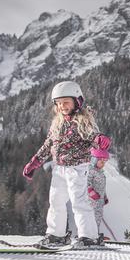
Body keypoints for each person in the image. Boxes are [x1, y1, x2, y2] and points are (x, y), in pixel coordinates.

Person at [23, 81, 111, 247]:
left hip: (78, 168)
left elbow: (92, 136)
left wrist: (100, 139)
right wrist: (34, 163)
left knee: (79, 202)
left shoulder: (83, 120)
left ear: (77, 102)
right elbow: (48, 144)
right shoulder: (58, 122)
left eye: (66, 102)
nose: (62, 106)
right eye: (59, 103)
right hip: (59, 168)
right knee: (56, 201)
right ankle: (56, 234)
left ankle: (89, 236)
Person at [87, 144, 111, 240]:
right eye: (101, 161)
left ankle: (95, 233)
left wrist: (104, 196)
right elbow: (86, 183)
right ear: (94, 160)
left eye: (105, 161)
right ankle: (89, 234)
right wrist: (91, 192)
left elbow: (102, 186)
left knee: (98, 216)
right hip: (91, 200)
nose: (103, 164)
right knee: (91, 216)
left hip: (99, 200)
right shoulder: (90, 170)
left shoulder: (100, 172)